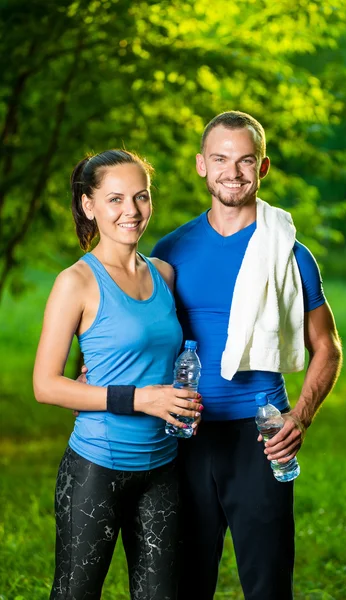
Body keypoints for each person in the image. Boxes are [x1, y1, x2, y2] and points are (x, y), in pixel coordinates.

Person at [151, 111, 343, 600]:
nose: (232, 172)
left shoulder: (289, 254)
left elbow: (328, 347)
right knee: (185, 581)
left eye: (245, 161)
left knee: (267, 583)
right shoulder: (170, 250)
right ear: (201, 165)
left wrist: (300, 417)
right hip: (186, 431)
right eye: (220, 159)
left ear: (264, 167)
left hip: (260, 435)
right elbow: (147, 335)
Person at [33, 149, 202, 600]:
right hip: (96, 468)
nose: (131, 211)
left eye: (141, 197)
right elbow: (45, 384)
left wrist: (182, 402)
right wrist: (140, 399)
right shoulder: (77, 281)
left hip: (162, 469)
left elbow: (162, 359)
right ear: (89, 205)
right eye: (115, 199)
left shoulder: (164, 275)